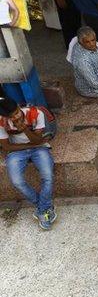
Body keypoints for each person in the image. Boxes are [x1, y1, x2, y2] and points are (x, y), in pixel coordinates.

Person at [0, 97, 56, 230]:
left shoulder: (35, 113)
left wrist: (24, 129)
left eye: (16, 112)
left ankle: (42, 210)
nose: (16, 116)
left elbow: (38, 141)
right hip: (17, 151)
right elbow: (7, 147)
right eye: (11, 116)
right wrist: (27, 146)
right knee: (17, 181)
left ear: (19, 107)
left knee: (48, 176)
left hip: (39, 148)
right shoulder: (2, 122)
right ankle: (44, 208)